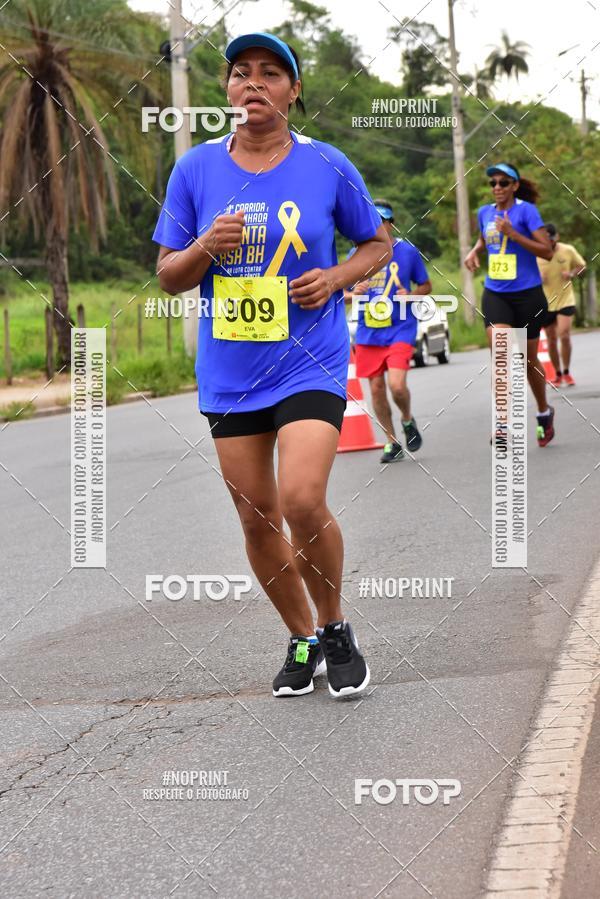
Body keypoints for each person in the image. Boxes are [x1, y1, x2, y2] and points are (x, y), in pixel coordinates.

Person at [152, 32, 392, 699]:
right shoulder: (194, 168)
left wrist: (336, 277)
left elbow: (377, 243)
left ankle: (335, 625)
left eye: (270, 73)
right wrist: (206, 244)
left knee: (302, 498)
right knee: (256, 514)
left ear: (293, 90)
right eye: (240, 72)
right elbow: (169, 275)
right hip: (231, 371)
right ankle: (301, 636)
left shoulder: (327, 164)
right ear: (227, 89)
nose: (253, 82)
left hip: (310, 360)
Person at [464, 162, 555, 447]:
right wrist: (475, 251)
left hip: (528, 295)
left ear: (515, 185)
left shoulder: (527, 211)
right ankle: (503, 423)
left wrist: (514, 234)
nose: (497, 187)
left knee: (528, 361)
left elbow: (547, 252)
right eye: (493, 183)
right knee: (501, 355)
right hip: (496, 293)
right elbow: (484, 238)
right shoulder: (484, 212)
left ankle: (544, 411)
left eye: (503, 182)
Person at [347, 200, 432, 462]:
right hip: (368, 331)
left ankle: (407, 419)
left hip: (400, 328)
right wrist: (353, 293)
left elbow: (426, 286)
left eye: (381, 221)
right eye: (371, 220)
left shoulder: (407, 252)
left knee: (396, 386)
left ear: (391, 224)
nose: (375, 225)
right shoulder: (356, 254)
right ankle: (392, 442)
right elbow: (340, 293)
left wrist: (412, 294)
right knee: (375, 388)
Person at [538, 223, 586, 387]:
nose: (549, 242)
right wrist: (537, 278)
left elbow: (582, 267)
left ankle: (566, 372)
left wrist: (571, 273)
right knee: (551, 339)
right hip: (545, 302)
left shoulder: (568, 250)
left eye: (551, 239)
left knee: (564, 335)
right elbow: (525, 274)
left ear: (556, 237)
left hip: (566, 299)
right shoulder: (536, 253)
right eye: (545, 240)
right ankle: (557, 373)